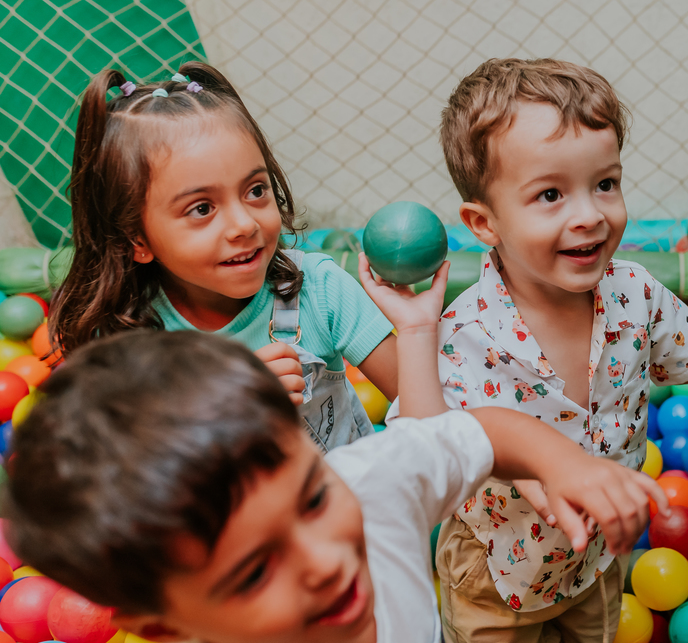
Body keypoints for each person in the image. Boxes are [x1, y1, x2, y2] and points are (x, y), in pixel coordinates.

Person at [2, 329, 663, 643]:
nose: (323, 559)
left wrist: (567, 464)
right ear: (162, 625)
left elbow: (481, 430)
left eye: (313, 498)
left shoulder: (371, 485)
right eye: (256, 570)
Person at [404, 58, 688, 643]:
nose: (590, 215)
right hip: (499, 571)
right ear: (484, 223)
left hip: (598, 558)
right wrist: (534, 482)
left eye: (605, 184)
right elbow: (435, 437)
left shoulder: (633, 294)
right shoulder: (469, 332)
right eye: (550, 195)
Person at [49, 62, 436, 451]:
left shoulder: (318, 290)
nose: (244, 224)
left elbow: (439, 433)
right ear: (137, 239)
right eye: (201, 208)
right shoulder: (125, 338)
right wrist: (221, 414)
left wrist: (417, 332)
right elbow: (120, 476)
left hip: (352, 503)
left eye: (255, 190)